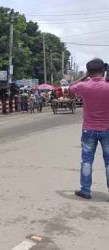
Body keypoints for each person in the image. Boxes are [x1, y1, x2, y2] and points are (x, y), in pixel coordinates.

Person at [69, 58, 109, 200]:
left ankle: (85, 190)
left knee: (86, 160)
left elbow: (70, 87)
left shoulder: (84, 86)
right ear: (103, 70)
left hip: (88, 129)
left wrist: (85, 76)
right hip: (107, 129)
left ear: (89, 71)